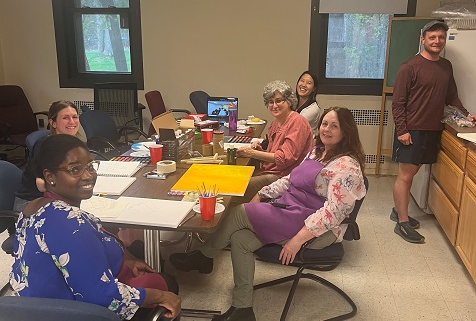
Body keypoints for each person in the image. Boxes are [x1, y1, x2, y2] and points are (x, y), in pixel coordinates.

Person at [170, 107, 367, 321]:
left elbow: (334, 213)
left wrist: (296, 241)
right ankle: (242, 309)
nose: (327, 129)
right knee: (240, 239)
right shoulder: (317, 151)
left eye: (334, 125)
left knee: (238, 212)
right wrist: (262, 195)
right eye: (325, 124)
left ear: (346, 131)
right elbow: (290, 180)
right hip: (291, 210)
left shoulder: (347, 166)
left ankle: (205, 256)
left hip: (315, 228)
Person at [9, 134, 181, 320]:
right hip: (71, 311)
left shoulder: (34, 207)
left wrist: (125, 259)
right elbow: (104, 297)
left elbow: (75, 253)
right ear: (50, 176)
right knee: (166, 285)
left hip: (34, 307)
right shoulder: (71, 222)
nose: (88, 175)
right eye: (75, 170)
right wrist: (161, 296)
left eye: (90, 166)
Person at [391, 20, 476, 244]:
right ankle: (402, 223)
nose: (437, 41)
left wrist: (467, 115)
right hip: (411, 130)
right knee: (406, 175)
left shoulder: (446, 66)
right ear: (423, 40)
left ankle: (397, 210)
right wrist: (402, 130)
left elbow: (451, 97)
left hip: (433, 129)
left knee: (412, 174)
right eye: (432, 37)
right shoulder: (409, 67)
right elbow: (398, 103)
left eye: (440, 37)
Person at [0, 101, 86, 251]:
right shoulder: (45, 145)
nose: (72, 122)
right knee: (76, 229)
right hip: (31, 203)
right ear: (53, 123)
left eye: (75, 117)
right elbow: (41, 184)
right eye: (65, 118)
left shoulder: (73, 143)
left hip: (57, 198)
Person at [234, 80, 313, 205]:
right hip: (271, 172)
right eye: (270, 102)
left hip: (283, 178)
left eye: (278, 101)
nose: (274, 105)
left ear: (289, 101)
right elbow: (274, 154)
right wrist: (260, 151)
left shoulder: (297, 122)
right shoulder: (275, 123)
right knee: (235, 178)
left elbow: (284, 158)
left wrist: (252, 153)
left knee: (235, 188)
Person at [295, 71, 321, 138]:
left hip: (306, 146)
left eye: (309, 83)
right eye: (302, 81)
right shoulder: (293, 102)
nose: (303, 85)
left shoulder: (313, 109)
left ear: (314, 88)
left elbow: (293, 126)